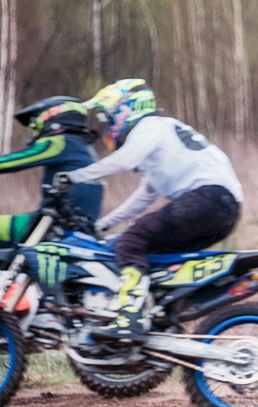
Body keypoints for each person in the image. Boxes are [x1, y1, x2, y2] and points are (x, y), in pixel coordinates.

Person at [58, 79, 243, 343]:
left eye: (109, 118)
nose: (109, 126)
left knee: (132, 240)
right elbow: (144, 196)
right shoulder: (162, 134)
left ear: (124, 109)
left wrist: (74, 177)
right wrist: (104, 224)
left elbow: (123, 161)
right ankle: (160, 320)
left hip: (207, 199)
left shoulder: (150, 126)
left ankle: (130, 320)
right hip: (223, 209)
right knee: (150, 251)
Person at [0, 97, 103, 270]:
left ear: (52, 118)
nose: (35, 131)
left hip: (48, 225)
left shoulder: (62, 142)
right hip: (71, 229)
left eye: (36, 125)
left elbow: (12, 161)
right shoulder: (84, 150)